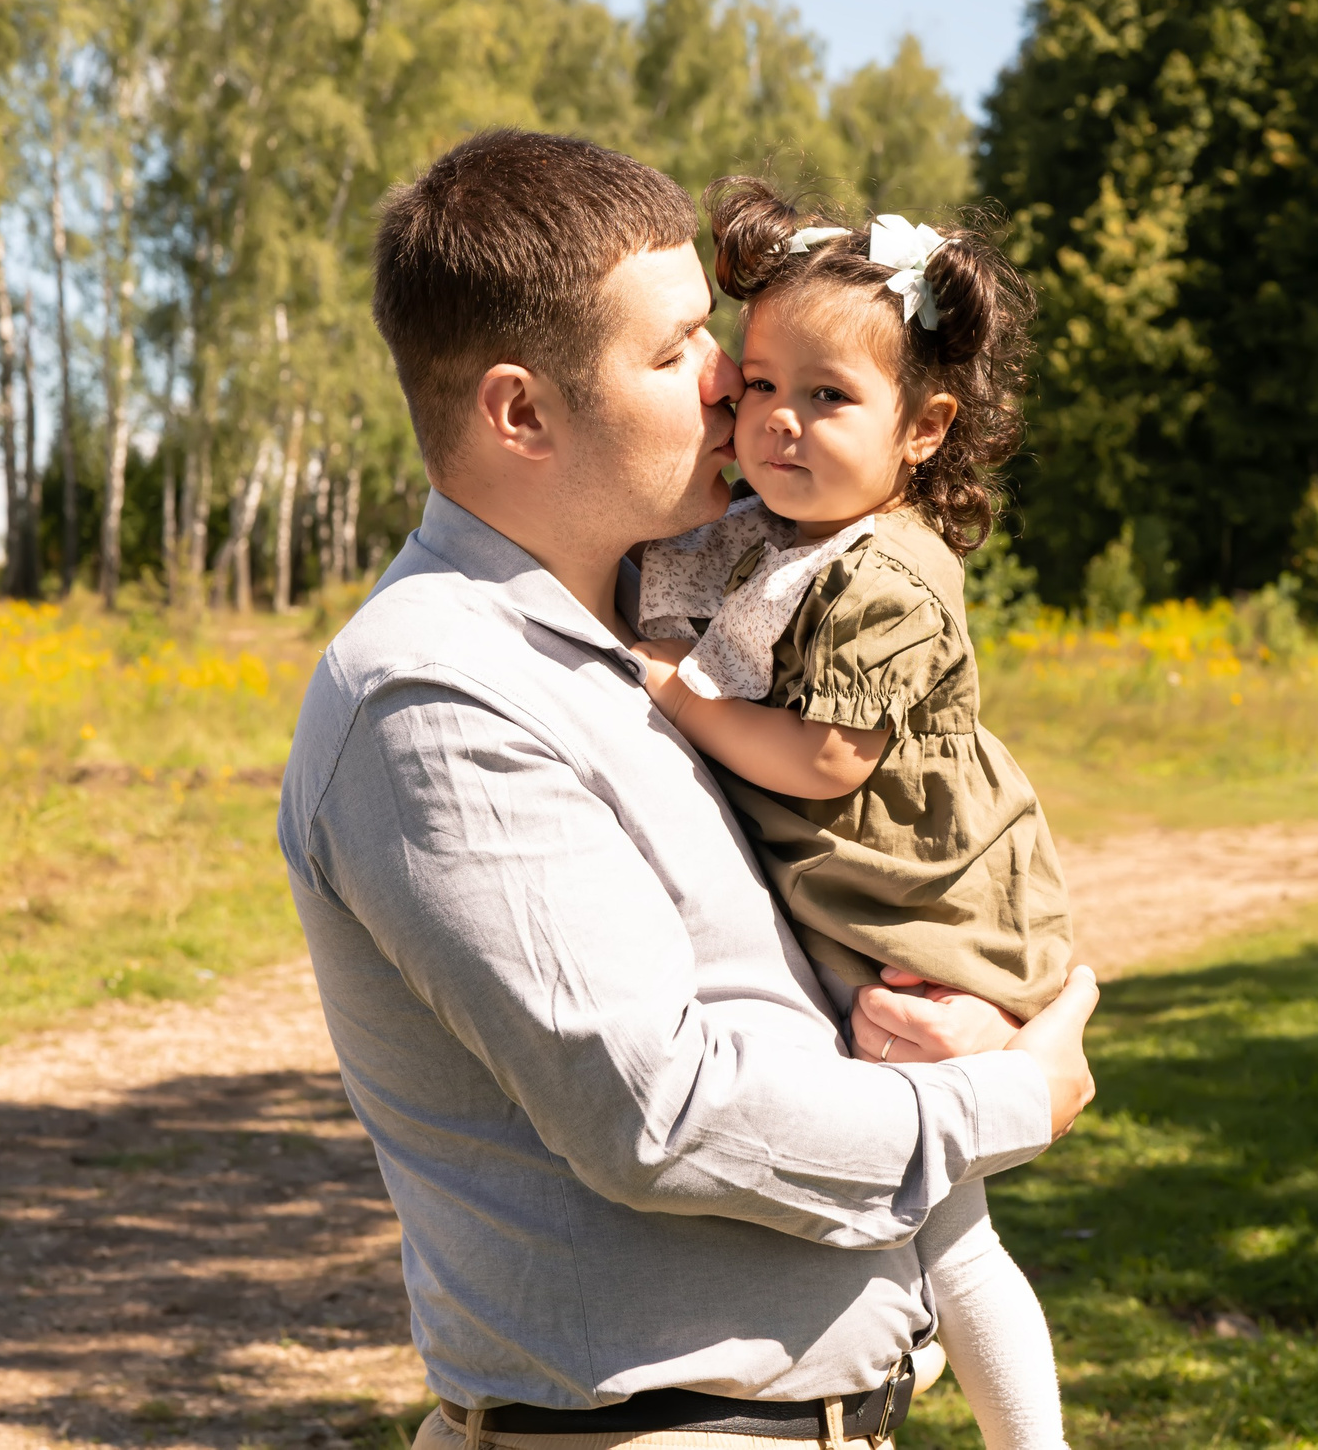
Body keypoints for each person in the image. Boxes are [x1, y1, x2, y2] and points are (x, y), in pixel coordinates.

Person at [274, 128, 1100, 1450]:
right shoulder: (439, 698)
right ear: (522, 413)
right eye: (677, 351)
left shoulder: (644, 637)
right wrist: (1015, 1099)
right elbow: (662, 1116)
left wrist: (995, 1012)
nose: (731, 385)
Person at [630, 178, 1072, 1450]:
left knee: (952, 1224)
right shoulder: (773, 534)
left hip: (923, 905)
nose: (777, 423)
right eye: (759, 386)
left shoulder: (887, 570)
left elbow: (827, 756)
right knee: (931, 1214)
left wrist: (679, 696)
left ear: (923, 430)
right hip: (864, 895)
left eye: (829, 398)